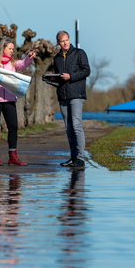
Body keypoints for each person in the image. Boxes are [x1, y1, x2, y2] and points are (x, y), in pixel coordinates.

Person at [0, 39, 36, 166]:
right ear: (3, 48)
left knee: (13, 127)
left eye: (12, 49)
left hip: (9, 98)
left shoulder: (13, 62)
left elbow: (23, 64)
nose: (12, 51)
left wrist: (29, 57)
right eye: (10, 48)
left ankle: (13, 157)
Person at [51, 31, 90, 169]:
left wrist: (71, 77)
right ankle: (73, 157)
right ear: (58, 43)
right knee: (68, 128)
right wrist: (52, 80)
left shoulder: (79, 53)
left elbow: (86, 71)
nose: (65, 43)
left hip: (77, 95)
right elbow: (57, 76)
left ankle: (80, 158)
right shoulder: (56, 58)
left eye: (67, 40)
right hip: (63, 95)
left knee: (76, 125)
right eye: (62, 41)